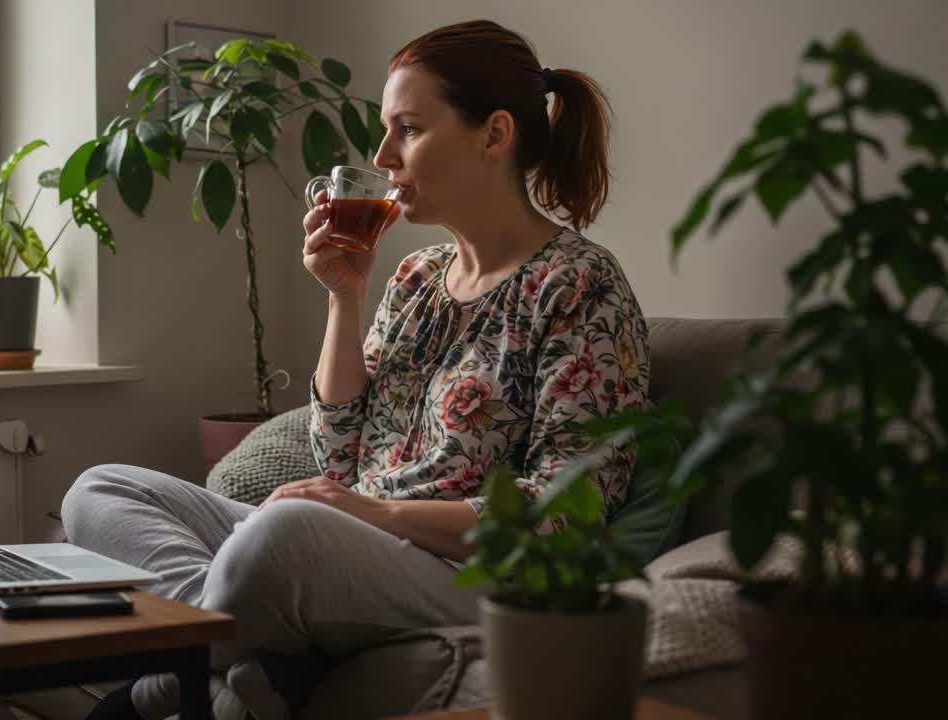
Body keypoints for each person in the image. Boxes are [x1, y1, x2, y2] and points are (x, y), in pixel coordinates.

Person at [63, 18, 649, 720]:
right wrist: (344, 293)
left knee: (281, 536)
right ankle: (239, 662)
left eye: (408, 129)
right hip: (352, 540)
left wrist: (372, 513)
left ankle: (165, 684)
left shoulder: (578, 283)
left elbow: (567, 512)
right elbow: (338, 454)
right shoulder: (416, 277)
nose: (382, 154)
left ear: (494, 136)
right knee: (101, 491)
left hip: (464, 569)